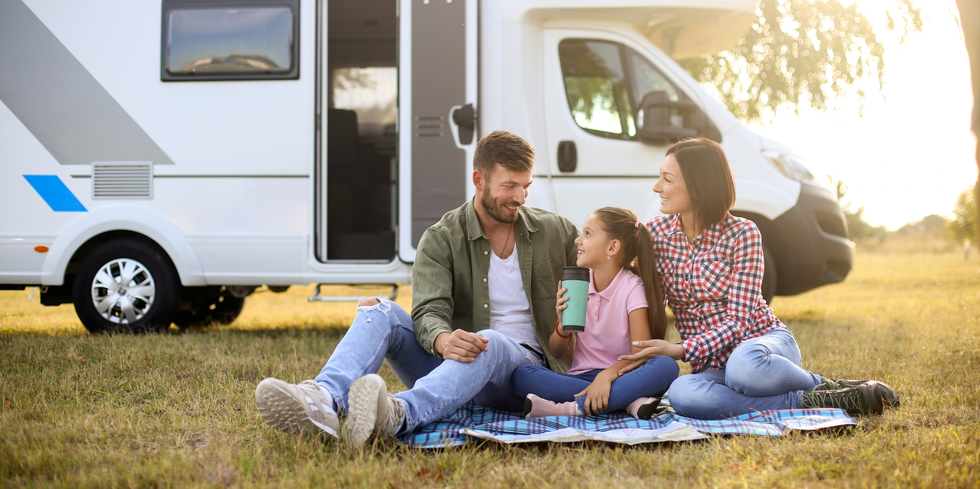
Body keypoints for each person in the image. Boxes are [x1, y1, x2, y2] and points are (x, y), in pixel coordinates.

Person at [254, 130, 579, 448]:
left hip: (521, 375)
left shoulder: (557, 231)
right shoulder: (442, 237)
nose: (520, 198)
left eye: (526, 186)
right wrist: (444, 339)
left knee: (488, 341)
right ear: (479, 180)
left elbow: (605, 283)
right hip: (453, 368)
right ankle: (323, 400)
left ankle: (397, 414)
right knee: (379, 308)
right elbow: (428, 310)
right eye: (509, 186)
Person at [618, 137, 899, 420]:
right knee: (682, 393)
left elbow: (739, 323)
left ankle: (823, 385)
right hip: (712, 366)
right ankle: (809, 400)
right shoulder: (655, 234)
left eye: (667, 179)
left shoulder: (743, 233)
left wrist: (680, 349)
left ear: (698, 185)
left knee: (745, 369)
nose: (657, 187)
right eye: (660, 178)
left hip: (762, 346)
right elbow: (631, 287)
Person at [512, 207, 679, 419]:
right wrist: (562, 327)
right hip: (581, 378)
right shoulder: (577, 284)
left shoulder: (632, 288)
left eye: (588, 234)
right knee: (522, 375)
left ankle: (572, 408)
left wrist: (607, 377)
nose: (578, 240)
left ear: (612, 247)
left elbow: (641, 354)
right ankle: (625, 401)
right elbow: (558, 352)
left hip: (623, 374)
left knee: (666, 366)